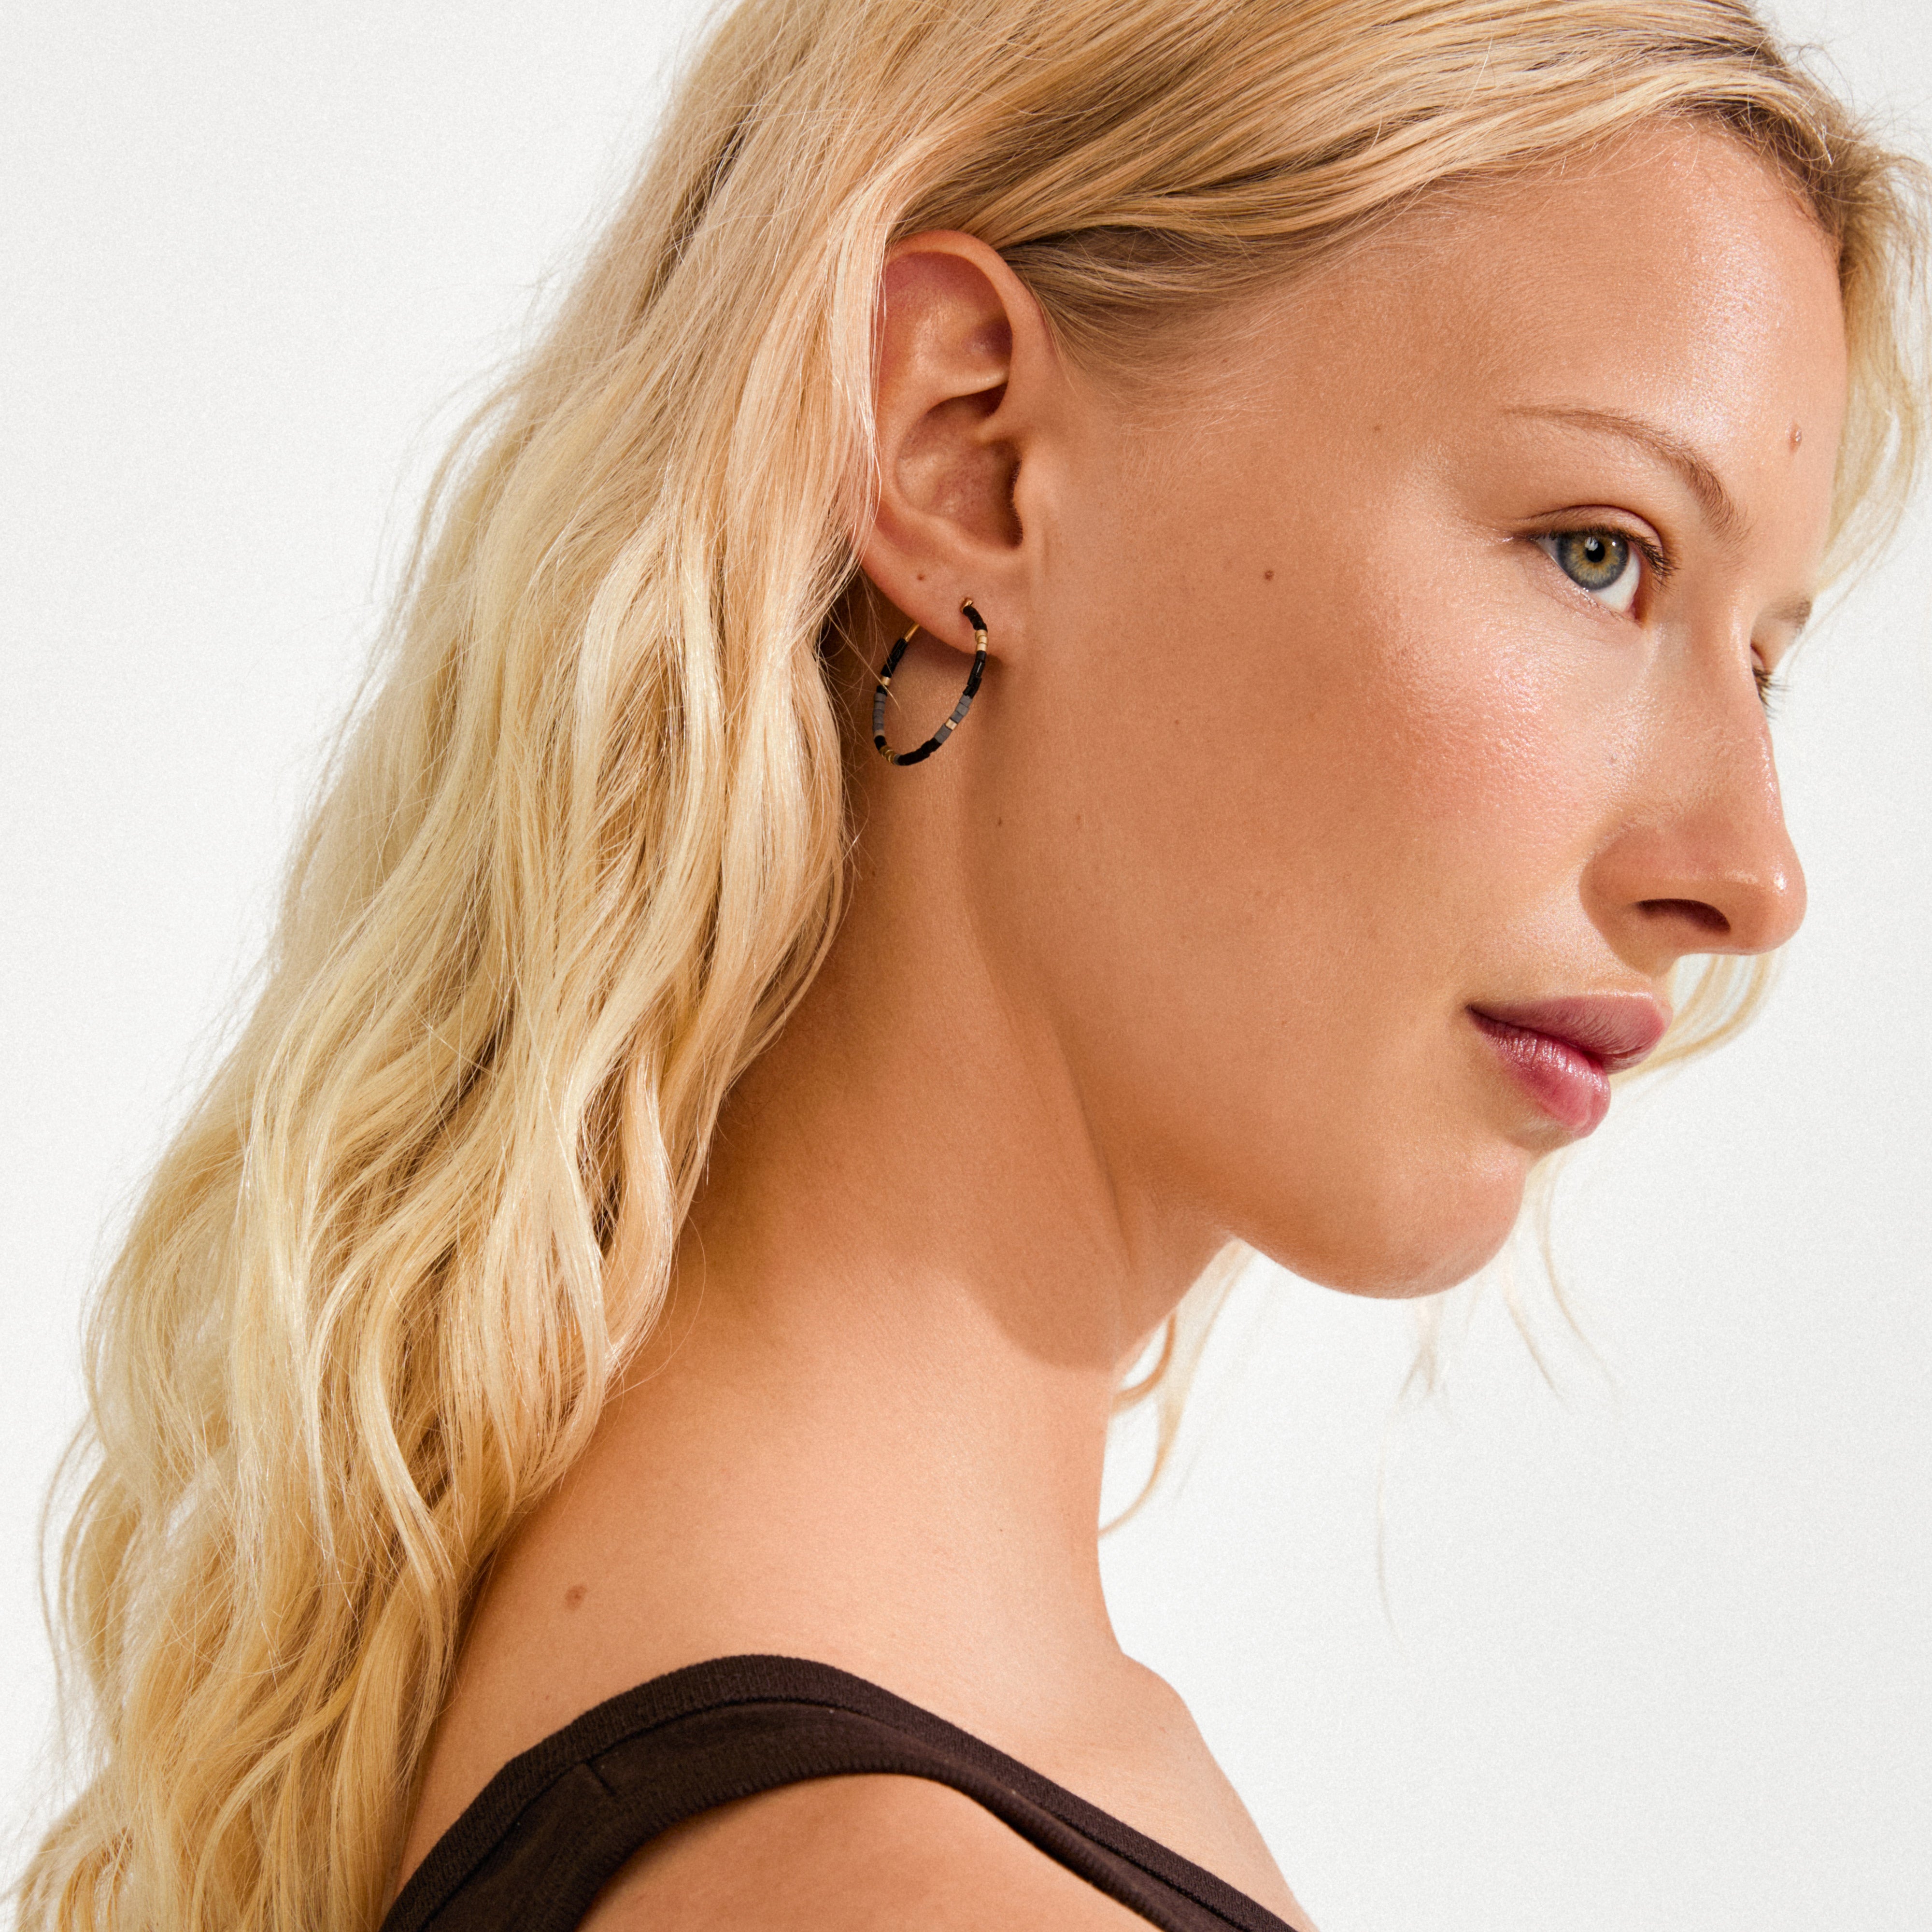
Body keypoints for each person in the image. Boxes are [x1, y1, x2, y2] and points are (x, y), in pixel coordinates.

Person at [17, 0, 1927, 1928]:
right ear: (965, 454)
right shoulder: (898, 1882)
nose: (1752, 874)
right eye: (1598, 552)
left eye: (1759, 659)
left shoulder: (745, 1737)